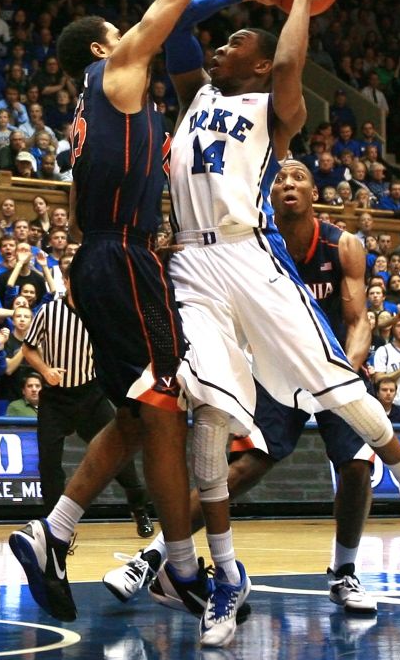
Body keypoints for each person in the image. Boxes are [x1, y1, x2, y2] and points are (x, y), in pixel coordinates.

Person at [156, 0, 400, 646]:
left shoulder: (275, 108)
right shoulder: (195, 94)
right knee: (211, 415)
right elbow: (175, 17)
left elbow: (291, 62)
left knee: (336, 385)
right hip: (191, 264)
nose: (221, 46)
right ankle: (225, 576)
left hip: (248, 253)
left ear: (260, 64)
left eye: (236, 41)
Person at [8, 0, 274, 623]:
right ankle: (182, 568)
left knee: (133, 414)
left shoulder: (91, 107)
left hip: (102, 254)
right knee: (163, 406)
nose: (136, 33)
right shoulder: (118, 69)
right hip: (122, 256)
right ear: (104, 46)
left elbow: (71, 210)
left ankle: (52, 533)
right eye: (121, 31)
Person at [105, 159, 377, 615]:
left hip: (332, 368)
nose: (288, 183)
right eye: (280, 178)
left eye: (299, 177)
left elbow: (358, 321)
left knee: (356, 467)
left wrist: (341, 374)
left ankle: (344, 572)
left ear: (315, 193)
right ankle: (151, 557)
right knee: (241, 469)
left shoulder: (342, 245)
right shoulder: (249, 244)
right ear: (267, 196)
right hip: (275, 369)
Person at [21, 264, 153, 534]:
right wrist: (45, 370)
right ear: (66, 281)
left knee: (117, 452)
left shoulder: (100, 313)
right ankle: (54, 525)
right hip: (55, 398)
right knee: (48, 461)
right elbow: (28, 348)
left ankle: (139, 508)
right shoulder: (48, 311)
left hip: (91, 394)